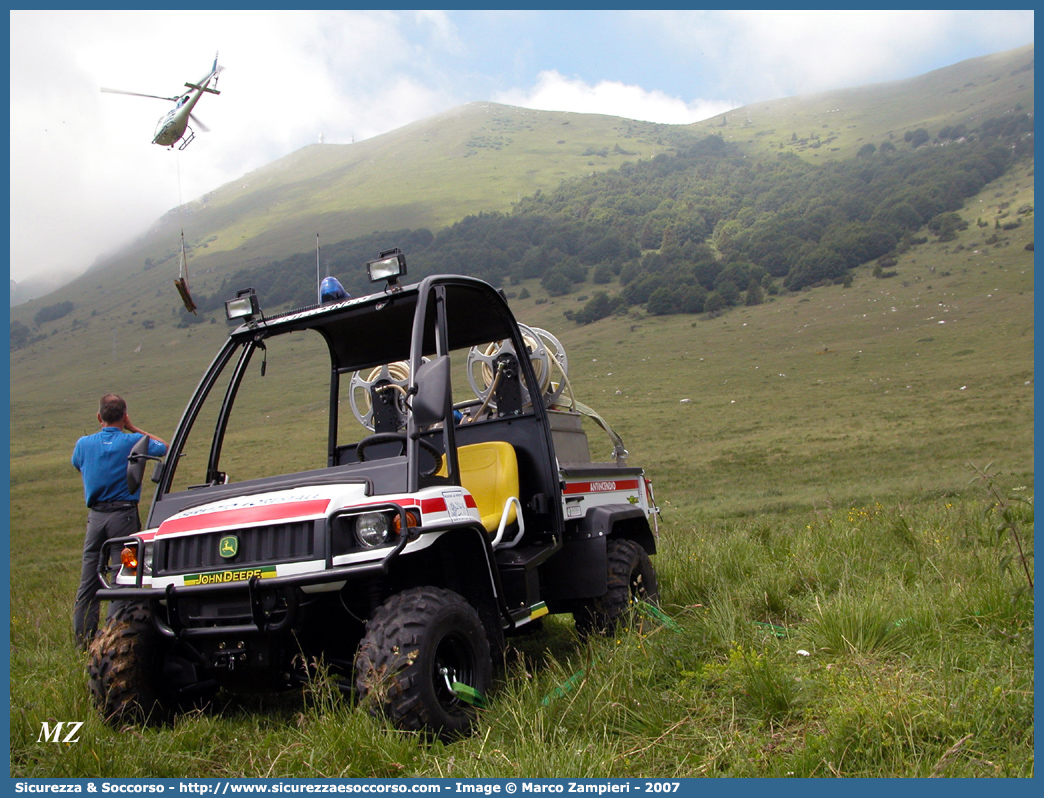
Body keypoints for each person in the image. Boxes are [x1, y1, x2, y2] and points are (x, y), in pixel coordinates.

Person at [71, 393, 167, 649]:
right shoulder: (134, 440)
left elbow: (78, 464)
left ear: (99, 416)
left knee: (89, 580)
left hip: (96, 518)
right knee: (123, 577)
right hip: (123, 517)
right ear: (124, 416)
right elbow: (163, 447)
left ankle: (83, 645)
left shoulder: (83, 444)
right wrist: (133, 428)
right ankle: (114, 641)